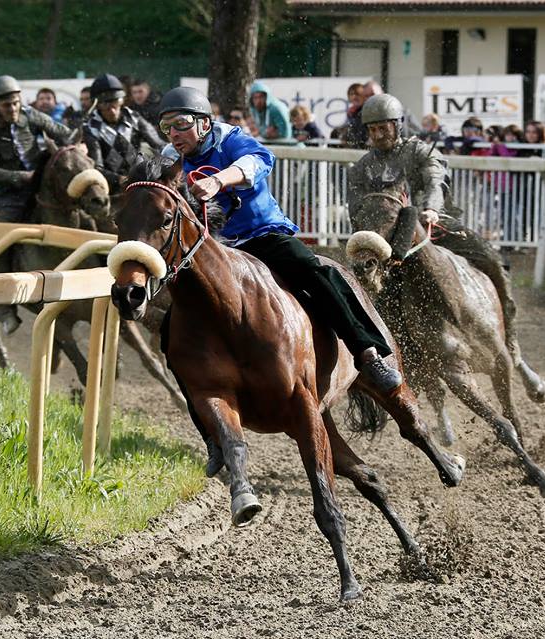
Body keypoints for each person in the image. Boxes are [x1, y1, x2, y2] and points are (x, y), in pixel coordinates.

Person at [157, 86, 402, 474]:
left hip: (263, 237)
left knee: (318, 273)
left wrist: (219, 180)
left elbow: (259, 161)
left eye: (181, 125)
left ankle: (369, 354)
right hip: (217, 256)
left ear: (204, 123)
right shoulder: (170, 160)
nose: (173, 134)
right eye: (166, 127)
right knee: (172, 333)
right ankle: (213, 440)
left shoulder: (231, 138)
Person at [347, 93, 525, 367]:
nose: (378, 134)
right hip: (387, 242)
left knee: (491, 260)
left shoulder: (421, 151)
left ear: (398, 125)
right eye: (372, 129)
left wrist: (430, 208)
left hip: (436, 225)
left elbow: (435, 181)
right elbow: (356, 207)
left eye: (383, 128)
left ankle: (511, 344)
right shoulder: (361, 168)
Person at [0, 75, 73, 335]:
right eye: (7, 105)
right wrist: (22, 177)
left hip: (41, 184)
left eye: (16, 103)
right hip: (10, 194)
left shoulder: (32, 115)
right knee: (2, 242)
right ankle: (6, 307)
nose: (14, 109)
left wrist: (74, 143)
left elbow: (61, 133)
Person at [83, 73, 165, 194]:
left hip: (140, 183)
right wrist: (121, 180)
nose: (112, 110)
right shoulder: (91, 128)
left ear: (122, 101)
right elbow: (97, 167)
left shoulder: (134, 118)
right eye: (106, 104)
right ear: (97, 105)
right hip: (111, 189)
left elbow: (160, 146)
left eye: (115, 102)